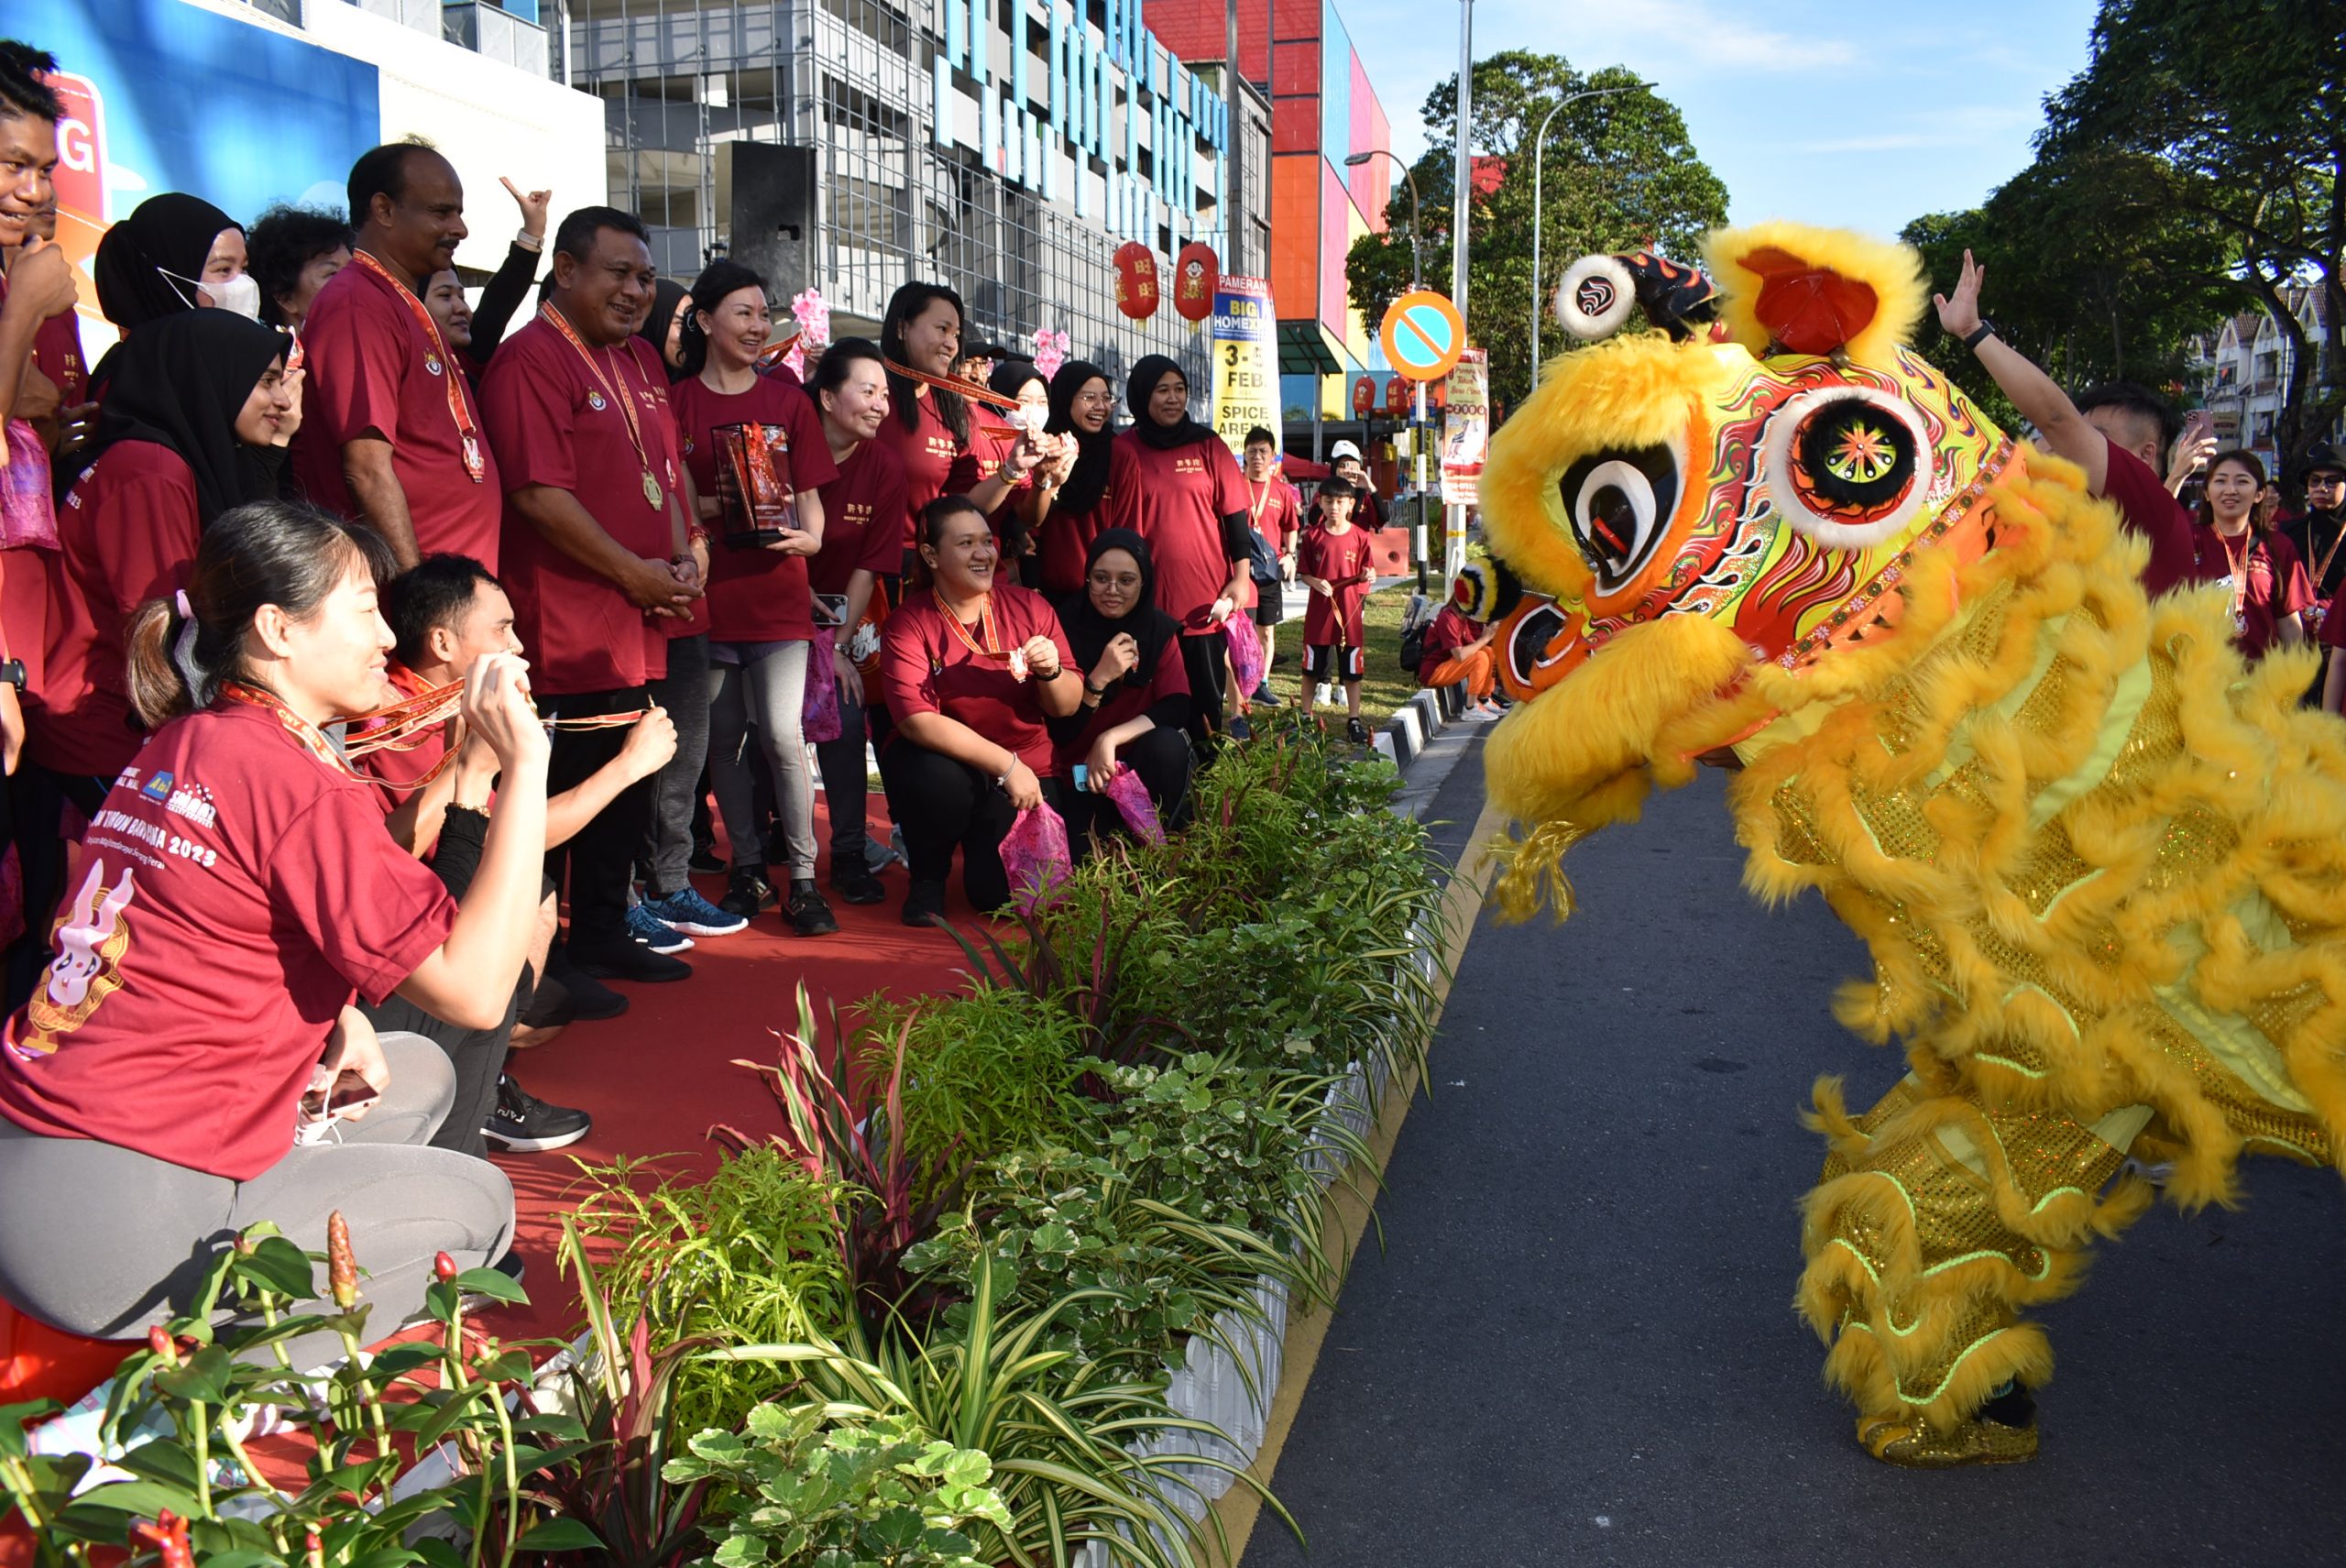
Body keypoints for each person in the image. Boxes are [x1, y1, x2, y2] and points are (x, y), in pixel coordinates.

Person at [0, 499, 536, 1352]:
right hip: (121, 1219)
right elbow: (477, 988)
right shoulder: (293, 779)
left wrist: (334, 1013)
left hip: (37, 1156)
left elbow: (203, 921)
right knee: (480, 1206)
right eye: (365, 608)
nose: (388, 638)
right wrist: (527, 761)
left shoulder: (191, 737)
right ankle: (186, 1415)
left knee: (417, 1074)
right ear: (278, 629)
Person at [369, 554, 660, 1152]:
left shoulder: (447, 704)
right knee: (510, 947)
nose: (520, 647)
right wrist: (466, 769)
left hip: (428, 929)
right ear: (444, 641)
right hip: (387, 955)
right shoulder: (385, 716)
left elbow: (515, 830)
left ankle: (473, 1084)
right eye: (502, 629)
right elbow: (386, 858)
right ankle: (448, 1103)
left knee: (542, 965)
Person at [480, 205, 701, 983]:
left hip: (642, 611)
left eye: (645, 276)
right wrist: (634, 573)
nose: (638, 290)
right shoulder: (529, 360)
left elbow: (667, 473)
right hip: (569, 617)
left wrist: (688, 554)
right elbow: (539, 495)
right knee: (567, 784)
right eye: (620, 273)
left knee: (631, 773)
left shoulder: (642, 360)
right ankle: (542, 955)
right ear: (566, 270)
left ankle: (604, 928)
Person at [35, 313, 296, 786]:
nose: (282, 399)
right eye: (266, 382)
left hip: (105, 719)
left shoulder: (154, 456)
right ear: (212, 377)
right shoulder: (150, 470)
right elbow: (164, 621)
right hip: (101, 728)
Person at [670, 259, 841, 936]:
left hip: (777, 594)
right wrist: (726, 506)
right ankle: (746, 868)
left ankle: (802, 875)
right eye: (741, 312)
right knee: (723, 739)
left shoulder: (788, 402)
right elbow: (679, 499)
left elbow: (812, 505)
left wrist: (810, 540)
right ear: (706, 322)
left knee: (780, 732)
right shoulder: (677, 403)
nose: (756, 324)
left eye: (762, 312)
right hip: (710, 595)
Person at [1932, 249, 2200, 598]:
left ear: (2146, 454)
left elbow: (2057, 419)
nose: (2070, 450)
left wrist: (1973, 331)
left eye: (2096, 437)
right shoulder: (2069, 524)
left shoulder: (2154, 512)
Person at [294, 142, 500, 572]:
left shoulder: (402, 301)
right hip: (415, 598)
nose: (460, 228)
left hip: (456, 596)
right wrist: (415, 590)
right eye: (441, 212)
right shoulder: (358, 303)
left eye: (458, 212)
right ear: (384, 210)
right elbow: (367, 468)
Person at [878, 497, 1080, 926]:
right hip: (953, 767)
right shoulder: (908, 622)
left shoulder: (1031, 606)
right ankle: (928, 877)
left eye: (987, 541)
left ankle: (977, 838)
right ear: (931, 555)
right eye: (966, 543)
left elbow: (1067, 706)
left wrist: (1051, 671)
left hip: (1029, 765)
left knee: (996, 897)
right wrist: (1007, 766)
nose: (983, 553)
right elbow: (916, 720)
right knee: (936, 780)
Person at [805, 338, 906, 910]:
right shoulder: (787, 450)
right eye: (867, 391)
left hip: (840, 618)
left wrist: (834, 646)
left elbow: (869, 567)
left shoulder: (884, 466)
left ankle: (847, 852)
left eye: (885, 395)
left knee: (842, 709)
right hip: (770, 605)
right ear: (825, 396)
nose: (880, 406)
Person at [1104, 356, 1250, 745]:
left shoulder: (1208, 445)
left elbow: (1236, 515)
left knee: (1206, 703)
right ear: (1142, 395)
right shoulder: (1125, 448)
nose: (1173, 399)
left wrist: (1241, 577)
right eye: (1162, 390)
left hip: (1204, 601)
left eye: (1179, 390)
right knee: (1155, 702)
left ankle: (1208, 783)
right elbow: (1120, 529)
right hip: (1149, 604)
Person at [872, 283, 1041, 571]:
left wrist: (1013, 467)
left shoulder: (955, 411)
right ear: (901, 329)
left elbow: (964, 504)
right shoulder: (867, 395)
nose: (951, 344)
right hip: (850, 568)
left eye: (956, 335)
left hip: (921, 573)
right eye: (942, 329)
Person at [1049, 529, 1190, 853]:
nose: (1112, 590)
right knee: (1083, 865)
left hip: (1136, 765)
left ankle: (1159, 839)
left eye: (1126, 580)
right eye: (1101, 578)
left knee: (1168, 744)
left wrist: (1110, 738)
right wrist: (1098, 678)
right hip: (1077, 773)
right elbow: (1060, 727)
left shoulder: (1158, 629)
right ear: (1087, 579)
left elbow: (1177, 705)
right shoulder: (1062, 626)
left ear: (1144, 583)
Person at [417, 177, 550, 380]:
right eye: (445, 295)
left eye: (462, 297)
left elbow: (499, 300)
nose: (461, 308)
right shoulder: (395, 358)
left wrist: (533, 230)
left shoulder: (469, 354)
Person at [2186, 448, 2308, 663]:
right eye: (2220, 481)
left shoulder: (2279, 546)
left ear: (2259, 494)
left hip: (2261, 679)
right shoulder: (2187, 539)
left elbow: (2288, 622)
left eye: (2242, 482)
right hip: (2198, 676)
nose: (2230, 490)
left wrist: (2294, 687)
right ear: (2206, 492)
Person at [91, 192, 250, 349]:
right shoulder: (132, 372)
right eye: (224, 269)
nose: (244, 284)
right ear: (160, 283)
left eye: (243, 268)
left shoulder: (247, 363)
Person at [1295, 476, 1374, 741]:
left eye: (1340, 502)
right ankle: (1305, 717)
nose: (1334, 507)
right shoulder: (1313, 536)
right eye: (1329, 501)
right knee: (1311, 669)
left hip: (1349, 615)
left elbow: (1368, 572)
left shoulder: (1361, 537)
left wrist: (1369, 576)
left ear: (1351, 504)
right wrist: (1316, 582)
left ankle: (1353, 720)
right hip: (1319, 615)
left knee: (1352, 670)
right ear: (1321, 502)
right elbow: (1304, 573)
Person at [1033, 360, 1116, 596]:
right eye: (1089, 397)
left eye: (1106, 398)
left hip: (1107, 592)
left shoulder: (1119, 453)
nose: (1101, 407)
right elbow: (1031, 525)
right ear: (1065, 398)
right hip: (1050, 590)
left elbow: (1128, 527)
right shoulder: (1044, 449)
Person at [1240, 426, 1301, 707]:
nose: (1257, 456)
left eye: (1263, 451)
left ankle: (1262, 684)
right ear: (1244, 454)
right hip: (1240, 569)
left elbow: (1290, 527)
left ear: (1273, 456)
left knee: (1266, 631)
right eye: (1252, 450)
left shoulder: (1281, 491)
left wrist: (1290, 554)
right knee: (1242, 629)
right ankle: (1242, 682)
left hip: (1269, 571)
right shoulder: (1234, 485)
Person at [246, 204, 353, 332]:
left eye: (353, 269)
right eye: (332, 273)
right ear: (285, 297)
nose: (354, 282)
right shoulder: (266, 352)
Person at [2286, 444, 2346, 657]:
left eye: (2332, 481)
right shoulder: (2288, 533)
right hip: (2295, 644)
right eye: (2315, 481)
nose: (2322, 488)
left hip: (2340, 647)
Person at [1416, 578, 1502, 716]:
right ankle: (1470, 707)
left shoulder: (1463, 618)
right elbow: (1460, 655)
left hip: (1447, 665)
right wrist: (1485, 638)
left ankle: (1484, 698)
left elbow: (1472, 646)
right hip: (1434, 672)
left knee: (1488, 652)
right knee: (1479, 657)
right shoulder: (1448, 618)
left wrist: (1489, 635)